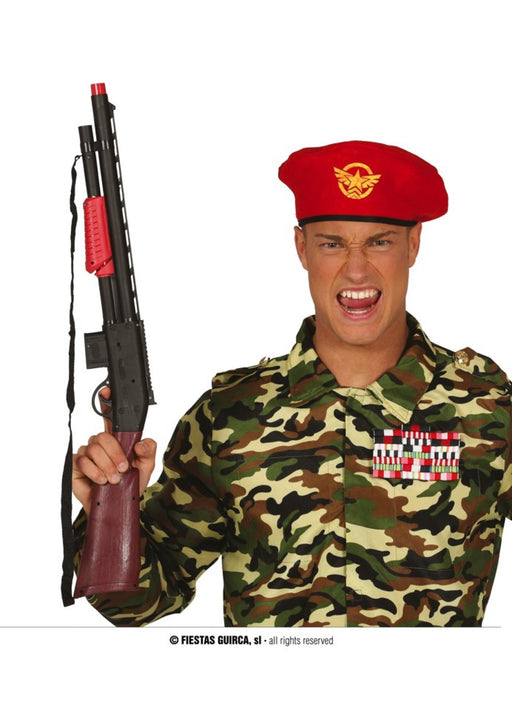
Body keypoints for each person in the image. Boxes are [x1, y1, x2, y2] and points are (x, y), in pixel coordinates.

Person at [73, 140, 512, 627]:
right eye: (332, 244)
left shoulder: (486, 407)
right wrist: (105, 508)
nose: (357, 269)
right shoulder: (230, 416)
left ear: (413, 245)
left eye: (379, 242)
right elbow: (136, 605)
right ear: (302, 248)